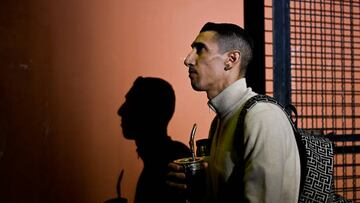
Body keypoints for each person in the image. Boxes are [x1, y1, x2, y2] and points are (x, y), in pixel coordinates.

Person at [167, 22, 301, 203]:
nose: (188, 60)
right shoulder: (222, 119)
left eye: (200, 49)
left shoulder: (261, 117)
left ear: (231, 59)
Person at [118, 76, 192, 203]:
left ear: (149, 111)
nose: (120, 111)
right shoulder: (161, 158)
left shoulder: (175, 163)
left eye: (130, 103)